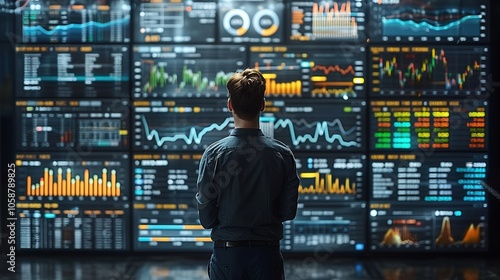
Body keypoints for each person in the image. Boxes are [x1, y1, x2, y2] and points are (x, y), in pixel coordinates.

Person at [195, 68, 300, 280]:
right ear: (262, 105)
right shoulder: (282, 154)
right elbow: (288, 212)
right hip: (267, 258)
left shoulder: (213, 155)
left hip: (227, 258)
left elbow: (206, 219)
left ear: (230, 105)